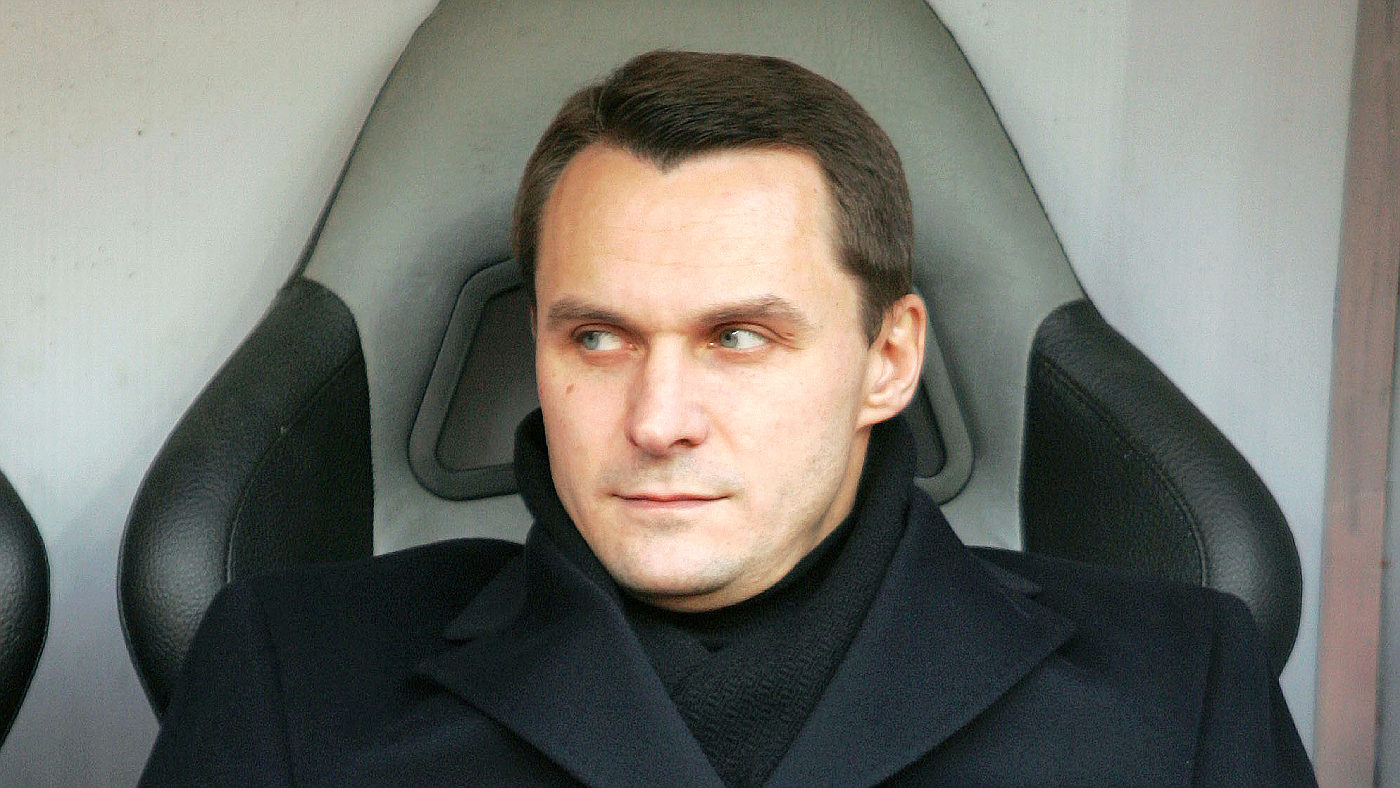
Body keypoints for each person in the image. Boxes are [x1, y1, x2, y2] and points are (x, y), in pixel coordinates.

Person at [139, 50, 1316, 787]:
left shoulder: (1179, 686)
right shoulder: (290, 674)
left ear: (888, 358)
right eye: (595, 337)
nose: (657, 419)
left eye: (737, 337)